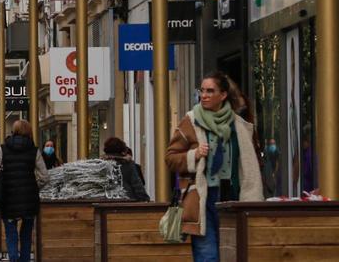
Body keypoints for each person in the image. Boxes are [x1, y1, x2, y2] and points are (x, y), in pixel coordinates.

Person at [166, 72, 263, 262]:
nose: (204, 95)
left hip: (232, 198)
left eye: (210, 91)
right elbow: (170, 158)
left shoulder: (238, 125)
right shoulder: (190, 121)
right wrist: (194, 155)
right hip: (202, 198)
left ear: (223, 95)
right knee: (207, 254)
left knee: (234, 252)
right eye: (202, 91)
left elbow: (249, 165)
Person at [0, 119, 48, 262]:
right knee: (27, 234)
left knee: (11, 234)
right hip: (29, 198)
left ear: (14, 131)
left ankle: (13, 259)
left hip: (8, 197)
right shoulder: (34, 150)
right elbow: (45, 176)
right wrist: (35, 186)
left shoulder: (3, 148)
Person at [101, 137, 149, 201]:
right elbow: (137, 185)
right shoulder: (127, 164)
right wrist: (145, 198)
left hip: (105, 201)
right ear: (121, 149)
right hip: (126, 201)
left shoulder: (101, 165)